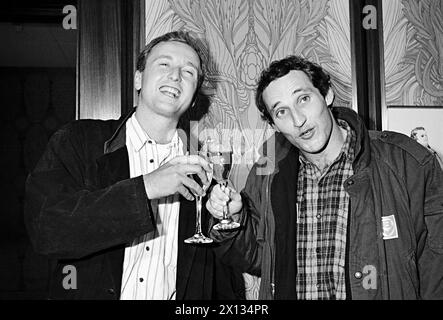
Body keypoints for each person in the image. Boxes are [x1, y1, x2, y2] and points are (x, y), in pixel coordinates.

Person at [24, 31, 244, 300]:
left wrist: (228, 220)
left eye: (189, 72)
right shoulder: (79, 141)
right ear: (138, 78)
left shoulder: (204, 168)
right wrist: (146, 187)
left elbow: (221, 278)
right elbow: (47, 230)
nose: (175, 75)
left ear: (194, 97)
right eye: (164, 64)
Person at [207, 55, 443, 300]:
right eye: (281, 112)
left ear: (327, 94)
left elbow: (436, 267)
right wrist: (235, 218)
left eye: (304, 99)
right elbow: (260, 259)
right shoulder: (267, 174)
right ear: (274, 125)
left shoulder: (406, 162)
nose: (298, 120)